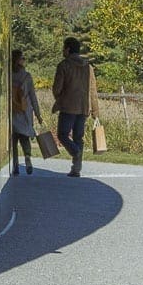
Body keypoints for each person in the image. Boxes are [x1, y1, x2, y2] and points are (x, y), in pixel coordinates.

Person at [51, 36, 99, 178]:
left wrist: (58, 98)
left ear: (68, 49)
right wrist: (95, 111)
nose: (62, 51)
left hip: (68, 106)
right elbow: (93, 91)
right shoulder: (88, 67)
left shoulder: (64, 65)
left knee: (62, 134)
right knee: (78, 137)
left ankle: (75, 151)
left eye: (63, 48)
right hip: (84, 107)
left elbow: (57, 88)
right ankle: (76, 168)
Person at [8, 49, 41, 176]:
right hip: (24, 110)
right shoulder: (27, 76)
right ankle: (27, 156)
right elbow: (32, 96)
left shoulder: (8, 75)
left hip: (12, 110)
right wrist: (37, 114)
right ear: (20, 60)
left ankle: (15, 166)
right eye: (23, 58)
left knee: (13, 141)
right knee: (24, 137)